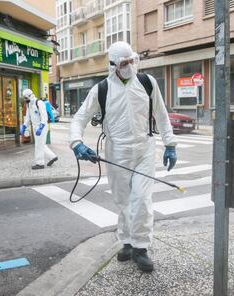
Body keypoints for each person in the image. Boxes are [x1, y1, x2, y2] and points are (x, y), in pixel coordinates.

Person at [68, 41, 177, 272]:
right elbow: (79, 118)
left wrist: (170, 144)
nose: (129, 66)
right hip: (116, 152)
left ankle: (141, 248)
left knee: (142, 200)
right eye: (124, 63)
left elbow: (161, 113)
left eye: (132, 61)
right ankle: (126, 242)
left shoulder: (147, 83)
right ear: (113, 65)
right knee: (123, 201)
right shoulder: (101, 89)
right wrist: (76, 143)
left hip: (144, 149)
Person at [20, 89, 58, 170]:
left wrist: (40, 128)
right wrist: (24, 126)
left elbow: (44, 117)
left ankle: (40, 163)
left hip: (42, 127)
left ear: (30, 96)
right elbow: (28, 117)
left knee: (38, 145)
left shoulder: (39, 103)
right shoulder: (29, 104)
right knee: (41, 144)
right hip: (35, 127)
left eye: (26, 98)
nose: (25, 100)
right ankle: (53, 157)